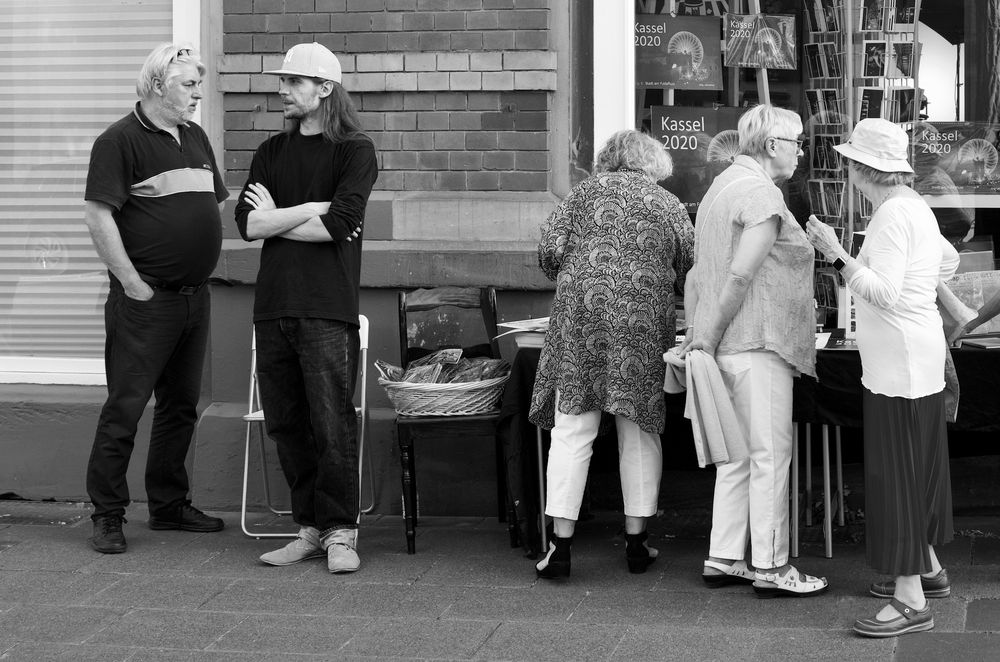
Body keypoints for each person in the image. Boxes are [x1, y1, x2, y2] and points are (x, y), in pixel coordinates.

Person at [807, 118, 960, 637]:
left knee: (897, 475)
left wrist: (835, 252)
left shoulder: (893, 215)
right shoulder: (912, 206)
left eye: (849, 162)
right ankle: (928, 569)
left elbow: (885, 293)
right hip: (913, 357)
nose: (846, 169)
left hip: (898, 365)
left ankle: (911, 597)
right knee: (916, 468)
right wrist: (921, 298)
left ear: (859, 168)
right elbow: (948, 260)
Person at [234, 42, 378, 574]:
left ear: (325, 89)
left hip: (326, 307)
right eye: (283, 81)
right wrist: (307, 208)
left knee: (331, 423)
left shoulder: (355, 151)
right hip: (273, 306)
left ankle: (342, 532)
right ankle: (310, 529)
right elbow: (249, 226)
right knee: (287, 424)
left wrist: (286, 217)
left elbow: (337, 225)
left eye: (293, 82)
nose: (282, 91)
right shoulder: (271, 151)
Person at [529, 129, 695, 579]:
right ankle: (637, 543)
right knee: (638, 430)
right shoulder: (667, 204)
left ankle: (559, 547)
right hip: (640, 325)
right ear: (653, 163)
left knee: (572, 430)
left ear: (609, 158)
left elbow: (548, 254)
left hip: (581, 320)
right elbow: (690, 265)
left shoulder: (581, 194)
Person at [83, 44, 229, 554]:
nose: (196, 94)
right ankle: (107, 514)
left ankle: (168, 507)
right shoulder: (119, 140)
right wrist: (132, 284)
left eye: (197, 85)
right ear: (157, 85)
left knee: (180, 406)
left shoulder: (194, 136)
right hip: (146, 301)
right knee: (125, 407)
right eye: (188, 84)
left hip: (194, 299)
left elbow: (206, 205)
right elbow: (99, 217)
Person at [680, 104, 827, 598]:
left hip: (726, 341)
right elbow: (741, 274)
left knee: (737, 456)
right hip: (756, 340)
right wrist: (707, 334)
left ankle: (723, 556)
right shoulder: (761, 193)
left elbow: (701, 275)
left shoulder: (719, 188)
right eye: (797, 142)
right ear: (771, 146)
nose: (801, 150)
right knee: (768, 455)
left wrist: (700, 334)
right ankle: (771, 565)